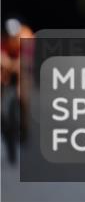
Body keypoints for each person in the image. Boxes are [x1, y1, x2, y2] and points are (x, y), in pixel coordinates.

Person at [1, 18, 35, 159]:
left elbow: (28, 58)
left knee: (23, 96)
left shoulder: (26, 36)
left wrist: (17, 64)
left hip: (22, 68)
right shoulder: (3, 40)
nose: (12, 39)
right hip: (6, 69)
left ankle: (24, 126)